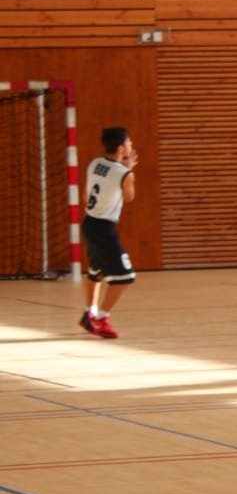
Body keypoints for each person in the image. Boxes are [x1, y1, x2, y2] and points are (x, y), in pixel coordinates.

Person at [79, 126, 138, 338]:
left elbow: (86, 196)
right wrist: (128, 171)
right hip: (104, 228)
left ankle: (89, 313)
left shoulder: (95, 163)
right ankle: (102, 318)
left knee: (95, 272)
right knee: (125, 277)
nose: (131, 145)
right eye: (129, 142)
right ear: (121, 148)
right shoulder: (124, 174)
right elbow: (129, 197)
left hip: (89, 223)